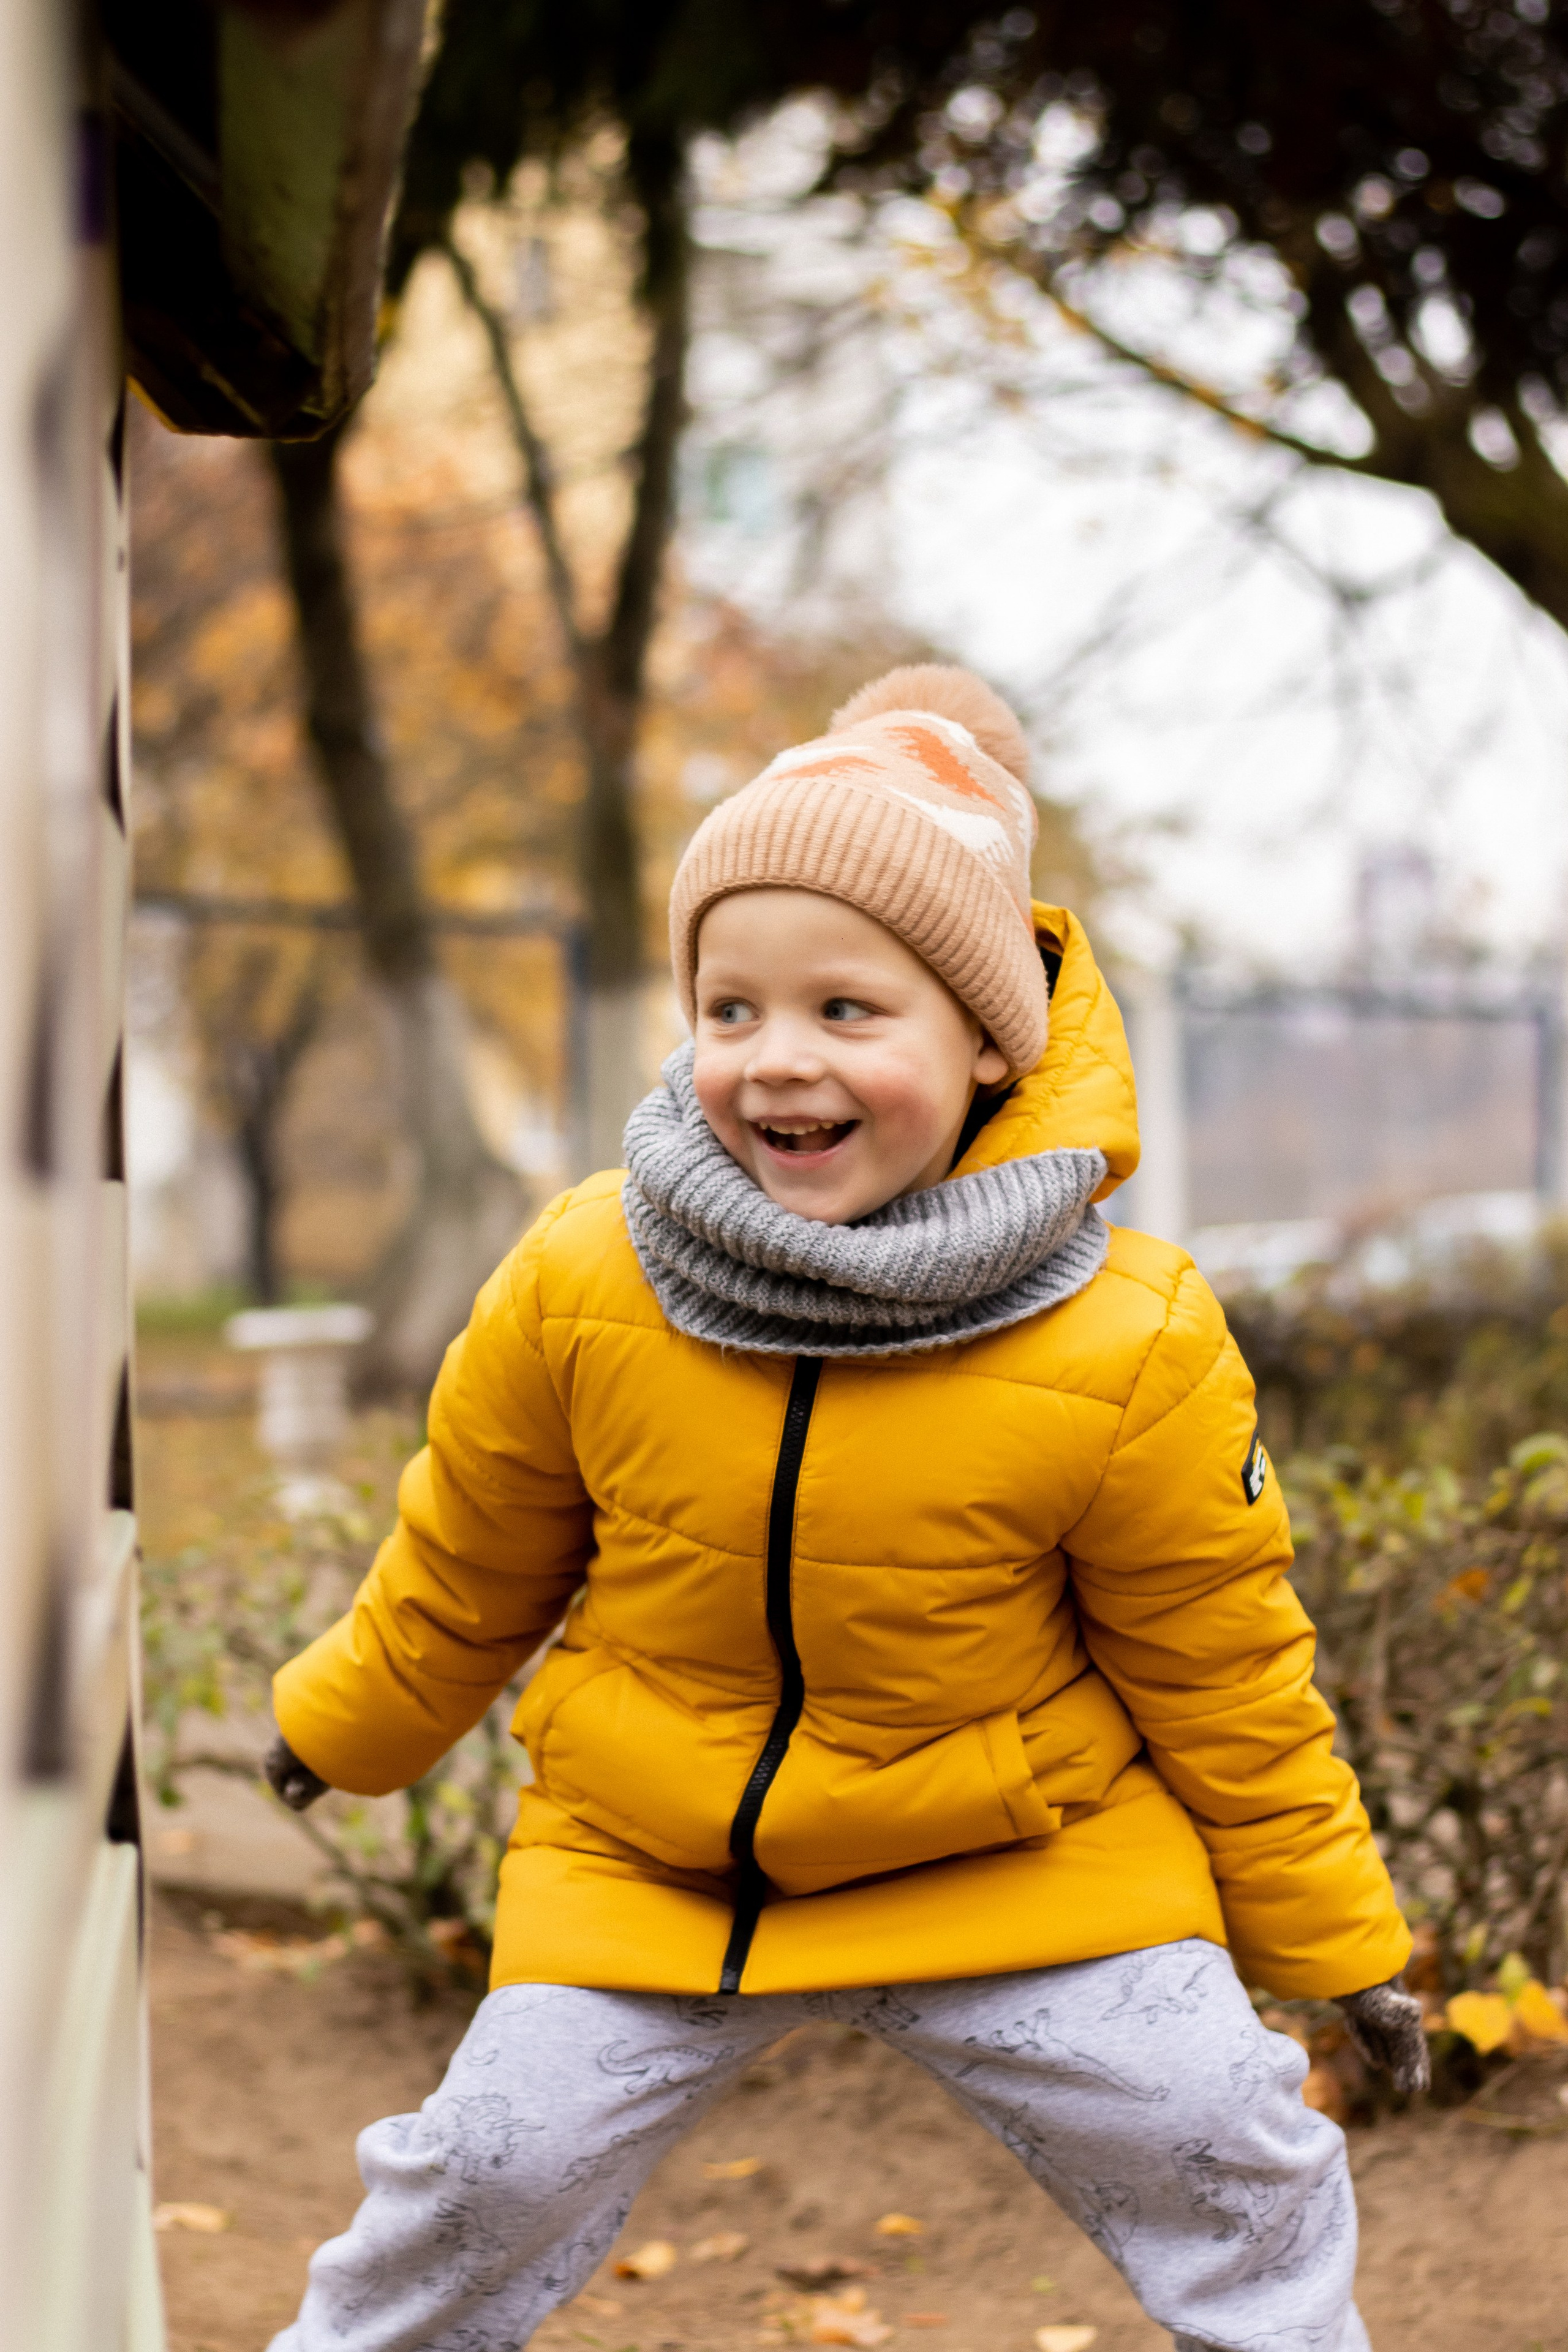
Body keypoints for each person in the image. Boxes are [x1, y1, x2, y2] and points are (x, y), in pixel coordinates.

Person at [263, 667, 1427, 2352]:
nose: (777, 1059)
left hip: (1018, 1860)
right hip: (657, 1857)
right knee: (485, 2171)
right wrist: (340, 1723)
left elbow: (1223, 1668)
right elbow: (469, 1557)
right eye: (730, 1008)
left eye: (847, 1010)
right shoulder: (585, 1271)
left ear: (987, 1041)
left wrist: (1340, 1944)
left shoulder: (1131, 1335)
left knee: (1227, 2143)